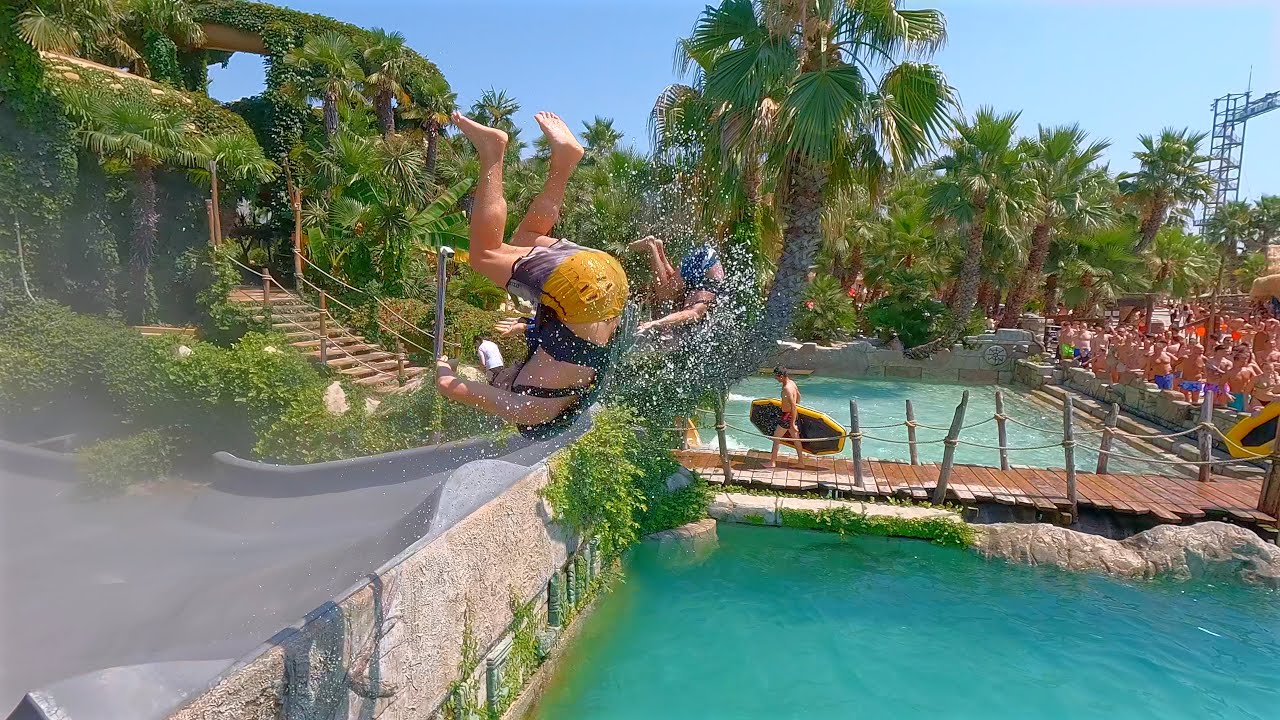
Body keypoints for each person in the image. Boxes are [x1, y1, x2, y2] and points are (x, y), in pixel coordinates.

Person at [435, 111, 630, 439]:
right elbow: (447, 386)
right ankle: (492, 152)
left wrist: (524, 328)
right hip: (580, 291)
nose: (501, 380)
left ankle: (565, 160)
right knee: (485, 256)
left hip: (608, 278)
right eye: (501, 383)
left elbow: (512, 354)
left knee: (526, 238)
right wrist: (444, 364)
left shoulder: (576, 381)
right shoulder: (531, 412)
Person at [629, 236, 725, 334]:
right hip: (704, 262)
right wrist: (655, 323)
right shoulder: (699, 309)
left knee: (672, 288)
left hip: (706, 261)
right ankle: (650, 245)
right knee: (664, 293)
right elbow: (691, 315)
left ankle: (659, 249)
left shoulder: (702, 297)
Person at [765, 366, 802, 469]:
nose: (775, 378)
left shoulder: (787, 389)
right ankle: (801, 462)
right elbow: (798, 396)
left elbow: (793, 405)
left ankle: (772, 463)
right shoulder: (792, 383)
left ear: (781, 376)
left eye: (776, 377)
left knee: (776, 438)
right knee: (796, 440)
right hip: (792, 414)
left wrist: (792, 422)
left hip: (787, 416)